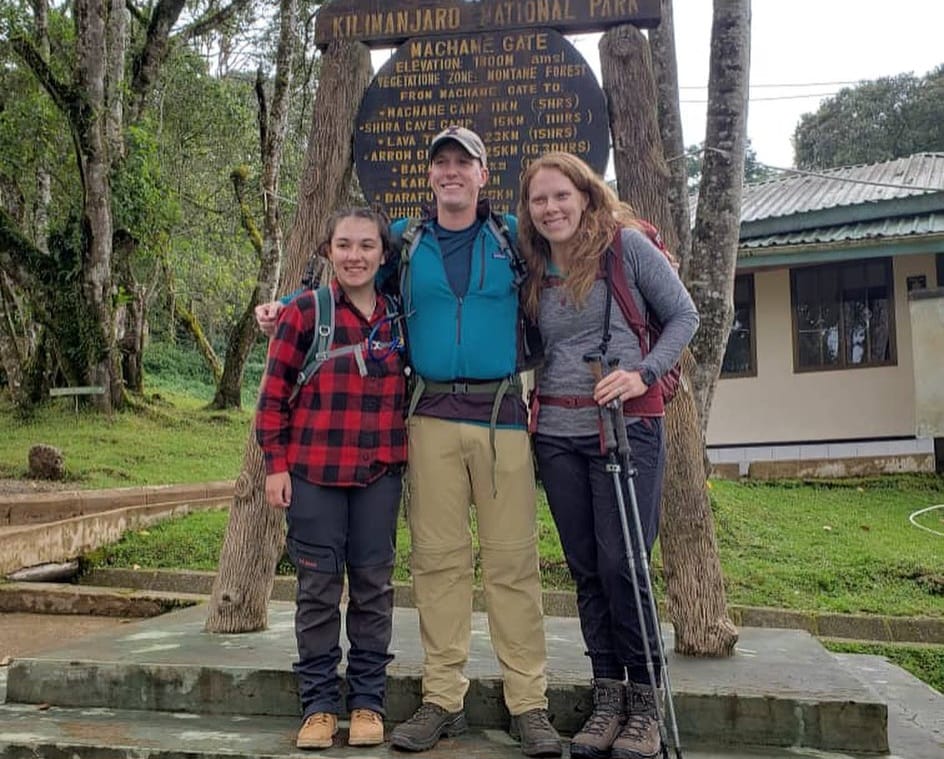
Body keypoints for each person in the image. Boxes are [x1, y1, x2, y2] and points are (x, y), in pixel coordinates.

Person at [256, 127, 561, 757]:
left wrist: (644, 246)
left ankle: (528, 703)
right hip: (427, 421)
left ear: (483, 172)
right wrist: (284, 306)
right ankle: (442, 698)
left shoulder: (512, 235)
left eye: (464, 163)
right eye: (441, 163)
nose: (451, 173)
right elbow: (350, 276)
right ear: (430, 176)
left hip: (502, 417)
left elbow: (575, 252)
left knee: (512, 565)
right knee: (438, 563)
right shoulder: (406, 240)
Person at [517, 152, 698, 759]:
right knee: (587, 568)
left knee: (626, 566)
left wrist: (643, 373)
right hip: (557, 433)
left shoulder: (625, 247)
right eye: (539, 200)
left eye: (560, 196)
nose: (551, 208)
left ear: (586, 194)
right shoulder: (535, 264)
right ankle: (607, 698)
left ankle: (645, 703)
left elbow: (683, 316)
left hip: (625, 427)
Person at [255, 207, 407, 751]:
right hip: (314, 474)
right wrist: (275, 464)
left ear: (383, 255)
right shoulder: (304, 313)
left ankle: (368, 702)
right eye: (344, 245)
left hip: (379, 475)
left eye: (367, 246)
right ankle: (318, 706)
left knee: (373, 589)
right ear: (328, 251)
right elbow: (272, 396)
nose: (354, 256)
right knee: (318, 592)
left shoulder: (398, 317)